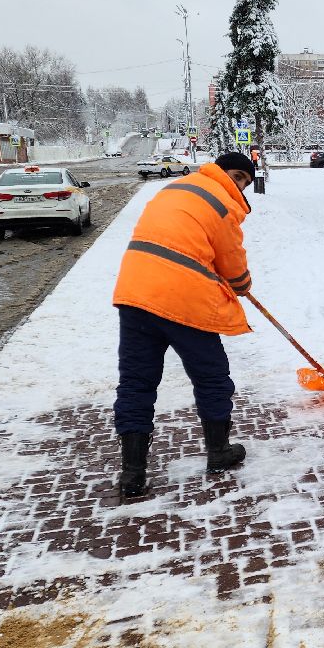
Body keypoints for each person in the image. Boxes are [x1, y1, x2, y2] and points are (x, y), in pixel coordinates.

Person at [112, 151, 258, 496]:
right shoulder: (222, 202)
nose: (241, 186)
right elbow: (232, 260)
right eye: (239, 177)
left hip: (134, 293)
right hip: (184, 298)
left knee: (135, 381)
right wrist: (242, 285)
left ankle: (133, 472)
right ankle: (219, 451)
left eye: (246, 183)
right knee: (211, 376)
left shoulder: (173, 189)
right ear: (221, 172)